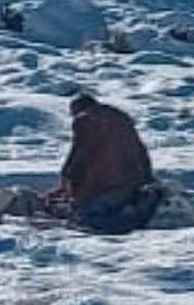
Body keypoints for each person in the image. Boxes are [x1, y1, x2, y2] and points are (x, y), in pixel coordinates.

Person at [45, 94, 158, 234]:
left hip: (106, 185)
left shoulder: (86, 120)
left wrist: (68, 176)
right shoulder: (123, 120)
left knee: (87, 217)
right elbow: (141, 152)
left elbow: (81, 153)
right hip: (134, 183)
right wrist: (147, 180)